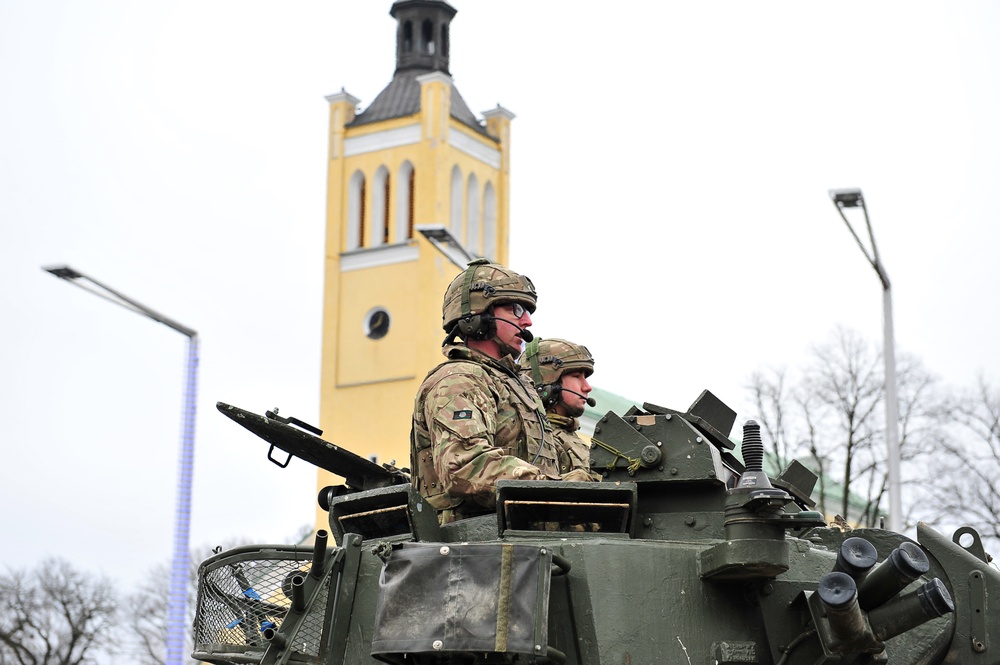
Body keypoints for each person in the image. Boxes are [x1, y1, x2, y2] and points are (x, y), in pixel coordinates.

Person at [411, 258, 593, 524]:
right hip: (476, 547)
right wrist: (556, 487)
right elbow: (464, 466)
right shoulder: (459, 380)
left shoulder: (516, 386)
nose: (528, 321)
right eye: (516, 309)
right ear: (478, 314)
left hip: (525, 541)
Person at [520, 337, 603, 482]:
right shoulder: (531, 437)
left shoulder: (573, 439)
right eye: (576, 376)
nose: (587, 387)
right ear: (545, 384)